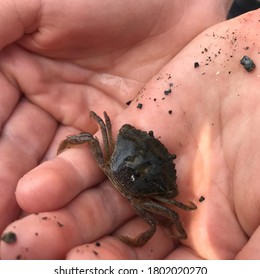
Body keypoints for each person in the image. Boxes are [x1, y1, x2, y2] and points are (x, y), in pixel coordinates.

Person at [0, 0, 259, 259]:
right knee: (159, 219)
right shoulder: (152, 197)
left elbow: (102, 126)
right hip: (139, 194)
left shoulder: (110, 154)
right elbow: (175, 207)